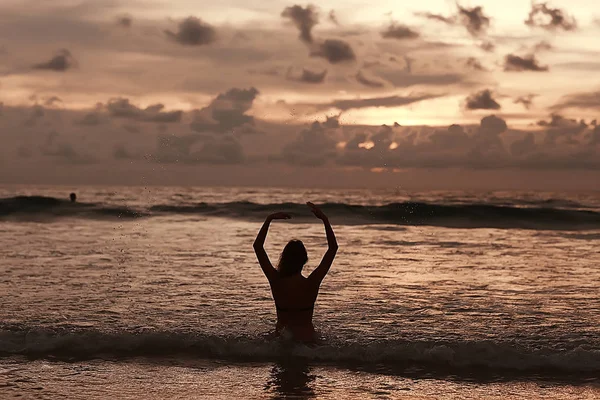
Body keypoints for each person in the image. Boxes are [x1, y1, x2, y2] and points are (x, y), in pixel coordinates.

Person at [253, 202, 338, 343]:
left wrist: (269, 219)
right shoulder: (312, 283)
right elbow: (333, 248)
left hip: (281, 343)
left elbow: (258, 247)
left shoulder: (276, 281)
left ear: (284, 258)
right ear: (304, 260)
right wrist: (324, 219)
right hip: (308, 344)